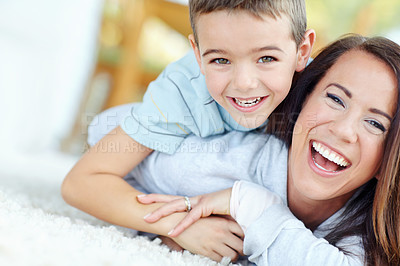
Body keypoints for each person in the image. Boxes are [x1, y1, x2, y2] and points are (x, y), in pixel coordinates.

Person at [62, 0, 315, 262]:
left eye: (266, 58)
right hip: (189, 163)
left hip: (261, 183)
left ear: (302, 50)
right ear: (197, 54)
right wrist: (181, 224)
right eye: (220, 60)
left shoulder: (323, 91)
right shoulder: (182, 89)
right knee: (107, 127)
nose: (244, 83)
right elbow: (80, 181)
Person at [137, 34, 400, 265]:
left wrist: (249, 205)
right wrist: (175, 228)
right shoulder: (225, 164)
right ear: (304, 99)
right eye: (335, 99)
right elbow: (124, 170)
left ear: (387, 162)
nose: (343, 130)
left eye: (375, 123)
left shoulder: (373, 224)